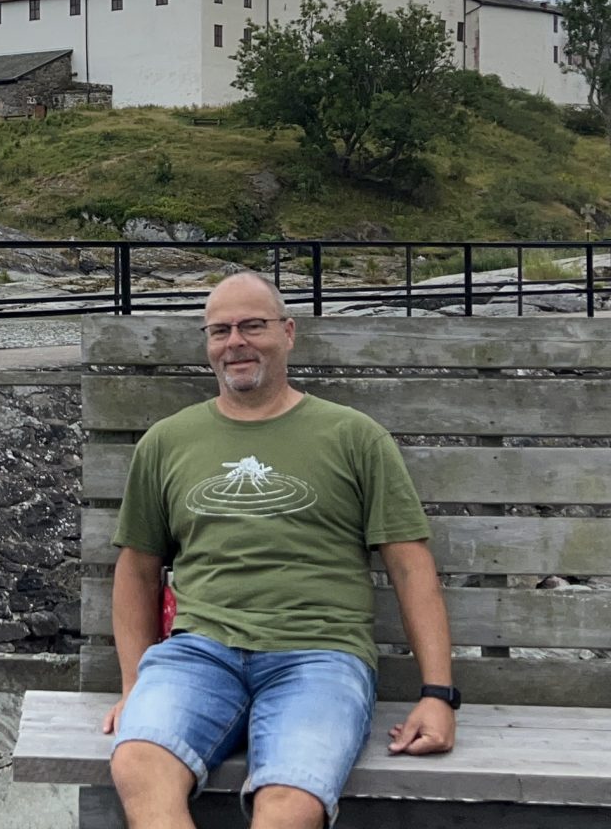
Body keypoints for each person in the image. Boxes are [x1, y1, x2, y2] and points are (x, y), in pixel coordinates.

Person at [103, 272, 456, 828]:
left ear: (288, 333)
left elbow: (411, 568)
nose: (235, 342)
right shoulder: (166, 442)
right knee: (138, 763)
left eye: (252, 326)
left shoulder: (355, 436)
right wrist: (133, 685)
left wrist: (438, 694)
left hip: (319, 654)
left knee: (290, 803)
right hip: (200, 653)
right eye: (219, 330)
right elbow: (137, 571)